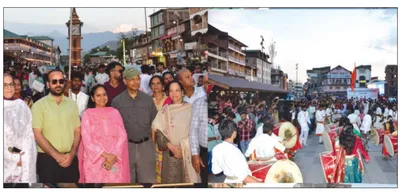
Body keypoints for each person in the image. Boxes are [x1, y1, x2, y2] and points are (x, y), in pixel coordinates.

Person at [31, 69, 81, 182]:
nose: (58, 84)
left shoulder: (72, 104)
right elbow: (37, 134)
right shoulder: (38, 106)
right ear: (48, 84)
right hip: (47, 160)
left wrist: (72, 153)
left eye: (61, 81)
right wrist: (57, 156)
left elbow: (77, 130)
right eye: (54, 81)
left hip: (70, 158)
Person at [111, 68, 158, 183]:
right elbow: (113, 128)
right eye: (132, 79)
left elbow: (155, 123)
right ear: (125, 81)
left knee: (148, 182)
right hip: (126, 147)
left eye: (137, 79)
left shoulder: (148, 100)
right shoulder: (117, 101)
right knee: (127, 182)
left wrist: (153, 144)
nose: (135, 82)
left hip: (146, 146)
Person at [78, 85, 130, 183]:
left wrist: (113, 156)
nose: (102, 98)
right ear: (92, 98)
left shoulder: (115, 112)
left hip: (114, 160)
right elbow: (87, 139)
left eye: (104, 95)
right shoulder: (87, 114)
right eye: (98, 95)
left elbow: (122, 136)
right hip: (95, 162)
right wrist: (106, 155)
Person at [152, 81, 200, 183]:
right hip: (170, 155)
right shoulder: (164, 112)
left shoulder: (192, 109)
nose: (174, 93)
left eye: (177, 90)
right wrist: (171, 146)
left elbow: (197, 131)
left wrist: (183, 147)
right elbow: (158, 132)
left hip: (189, 154)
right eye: (171, 91)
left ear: (183, 92)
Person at [4, 74, 37, 183]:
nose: (9, 88)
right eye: (4, 85)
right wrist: (13, 158)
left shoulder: (22, 105)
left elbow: (28, 135)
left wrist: (24, 156)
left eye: (11, 84)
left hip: (23, 160)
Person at [149, 75, 168, 183]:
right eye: (153, 84)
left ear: (163, 86)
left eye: (158, 83)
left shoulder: (168, 100)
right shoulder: (147, 100)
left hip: (165, 137)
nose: (155, 86)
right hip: (151, 137)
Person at [189, 94, 209, 185]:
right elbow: (193, 129)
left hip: (214, 149)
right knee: (202, 181)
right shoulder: (198, 103)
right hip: (203, 151)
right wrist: (195, 154)